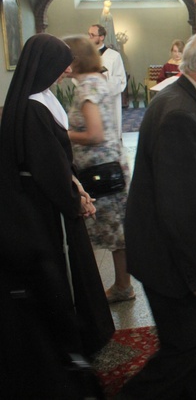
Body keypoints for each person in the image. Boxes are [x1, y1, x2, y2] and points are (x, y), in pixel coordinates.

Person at [120, 29, 196, 398]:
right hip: (171, 262)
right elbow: (179, 207)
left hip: (173, 257)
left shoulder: (185, 98)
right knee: (187, 347)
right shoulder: (180, 113)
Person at [0, 34, 114, 397]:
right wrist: (73, 199)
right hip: (44, 206)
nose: (68, 68)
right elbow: (45, 165)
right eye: (62, 62)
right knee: (62, 268)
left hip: (57, 192)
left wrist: (76, 186)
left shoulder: (43, 98)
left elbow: (56, 159)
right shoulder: (33, 106)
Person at [64, 35, 133, 304]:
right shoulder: (94, 81)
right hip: (107, 166)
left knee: (114, 230)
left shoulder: (87, 87)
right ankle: (122, 285)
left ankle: (121, 287)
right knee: (116, 230)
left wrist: (63, 133)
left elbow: (94, 134)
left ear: (75, 60)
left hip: (99, 170)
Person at [88, 24, 126, 138]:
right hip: (90, 99)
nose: (89, 38)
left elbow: (121, 80)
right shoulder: (85, 56)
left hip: (109, 100)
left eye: (92, 35)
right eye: (88, 34)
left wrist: (106, 78)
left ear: (101, 37)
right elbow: (77, 78)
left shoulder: (114, 56)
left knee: (109, 134)